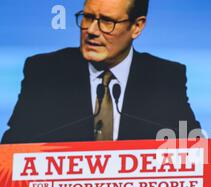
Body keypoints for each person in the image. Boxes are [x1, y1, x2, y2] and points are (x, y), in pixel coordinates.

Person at [1, 0, 200, 144]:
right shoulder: (45, 72)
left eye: (107, 21)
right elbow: (14, 145)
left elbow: (192, 142)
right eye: (88, 17)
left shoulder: (165, 77)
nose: (92, 31)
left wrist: (210, 170)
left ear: (137, 27)